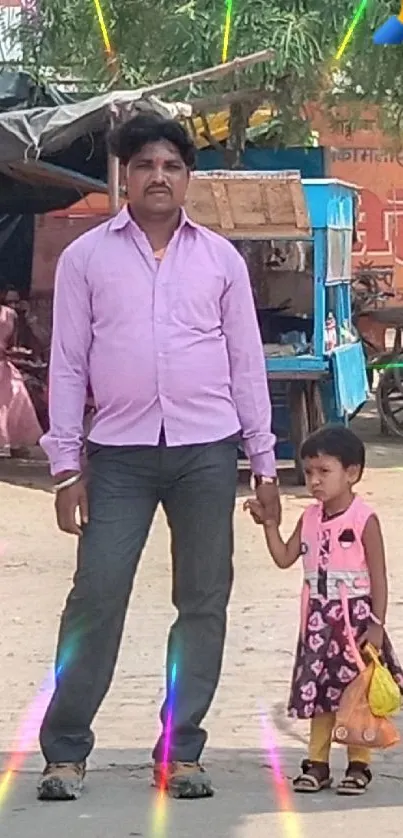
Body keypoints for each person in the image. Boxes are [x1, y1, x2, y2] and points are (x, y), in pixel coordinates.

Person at [38, 112, 280, 802]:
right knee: (97, 595)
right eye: (144, 165)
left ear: (187, 178)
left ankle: (182, 751)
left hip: (207, 451)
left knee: (202, 600)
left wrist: (262, 465)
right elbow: (68, 366)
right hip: (118, 456)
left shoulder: (219, 260)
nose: (157, 177)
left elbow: (244, 365)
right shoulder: (88, 258)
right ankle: (65, 751)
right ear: (123, 175)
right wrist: (64, 467)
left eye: (171, 166)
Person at [245, 425, 403, 796]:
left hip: (356, 623)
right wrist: (269, 524)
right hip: (318, 622)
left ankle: (359, 764)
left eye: (324, 472)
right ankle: (317, 763)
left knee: (356, 694)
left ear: (352, 473)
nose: (314, 481)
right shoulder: (309, 519)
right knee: (319, 694)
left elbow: (379, 577)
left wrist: (377, 625)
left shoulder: (365, 519)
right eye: (309, 473)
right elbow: (284, 557)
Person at [0, 301, 42, 455]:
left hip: (3, 365)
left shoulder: (9, 314)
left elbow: (14, 342)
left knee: (13, 396)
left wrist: (11, 352)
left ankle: (11, 442)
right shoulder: (10, 314)